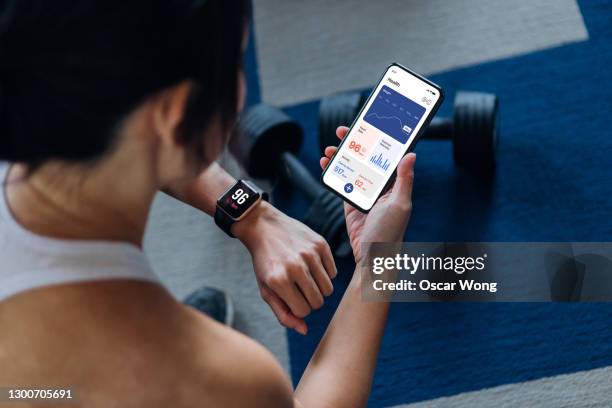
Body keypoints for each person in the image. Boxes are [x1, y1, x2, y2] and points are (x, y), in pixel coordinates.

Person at [0, 1, 416, 407]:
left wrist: (252, 215)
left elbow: (128, 134)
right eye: (237, 61)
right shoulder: (228, 376)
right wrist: (376, 264)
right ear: (177, 114)